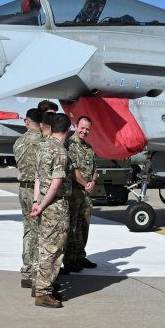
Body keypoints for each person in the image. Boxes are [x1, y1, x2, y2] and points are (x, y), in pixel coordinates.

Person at [31, 112, 72, 308]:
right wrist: (44, 204)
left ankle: (41, 284)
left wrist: (36, 202)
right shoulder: (60, 152)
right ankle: (43, 292)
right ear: (68, 129)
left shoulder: (42, 147)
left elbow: (38, 178)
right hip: (55, 206)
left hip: (42, 202)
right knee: (53, 249)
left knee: (43, 246)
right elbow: (56, 184)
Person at [13, 108, 44, 289]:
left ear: (27, 121)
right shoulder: (43, 141)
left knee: (27, 229)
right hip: (37, 191)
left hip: (23, 189)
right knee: (38, 231)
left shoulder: (18, 142)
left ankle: (26, 269)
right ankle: (34, 270)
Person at [64, 115, 98, 272]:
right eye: (82, 128)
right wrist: (86, 185)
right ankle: (70, 258)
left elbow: (95, 168)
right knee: (72, 227)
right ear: (75, 126)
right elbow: (73, 171)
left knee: (84, 225)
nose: (84, 131)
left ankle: (80, 255)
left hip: (86, 195)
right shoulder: (69, 145)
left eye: (87, 129)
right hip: (74, 194)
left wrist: (93, 182)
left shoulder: (89, 148)